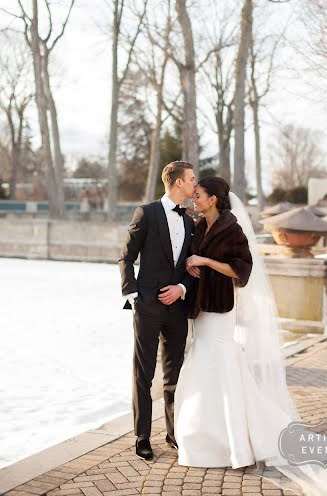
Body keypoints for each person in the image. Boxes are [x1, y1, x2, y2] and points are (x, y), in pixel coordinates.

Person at [175, 176, 327, 496]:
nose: (194, 199)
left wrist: (206, 261)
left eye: (198, 195)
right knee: (203, 371)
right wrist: (191, 265)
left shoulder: (232, 229)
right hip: (202, 310)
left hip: (221, 312)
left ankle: (239, 448)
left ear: (213, 199)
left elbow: (242, 270)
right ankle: (203, 441)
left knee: (225, 371)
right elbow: (195, 258)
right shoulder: (200, 227)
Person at [118, 161, 196, 461]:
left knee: (175, 373)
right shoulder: (147, 213)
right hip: (147, 308)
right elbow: (126, 257)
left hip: (177, 309)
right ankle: (142, 437)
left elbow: (190, 267)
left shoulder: (189, 222)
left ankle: (173, 434)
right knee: (143, 373)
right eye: (191, 179)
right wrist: (135, 296)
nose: (194, 184)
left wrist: (182, 289)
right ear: (177, 183)